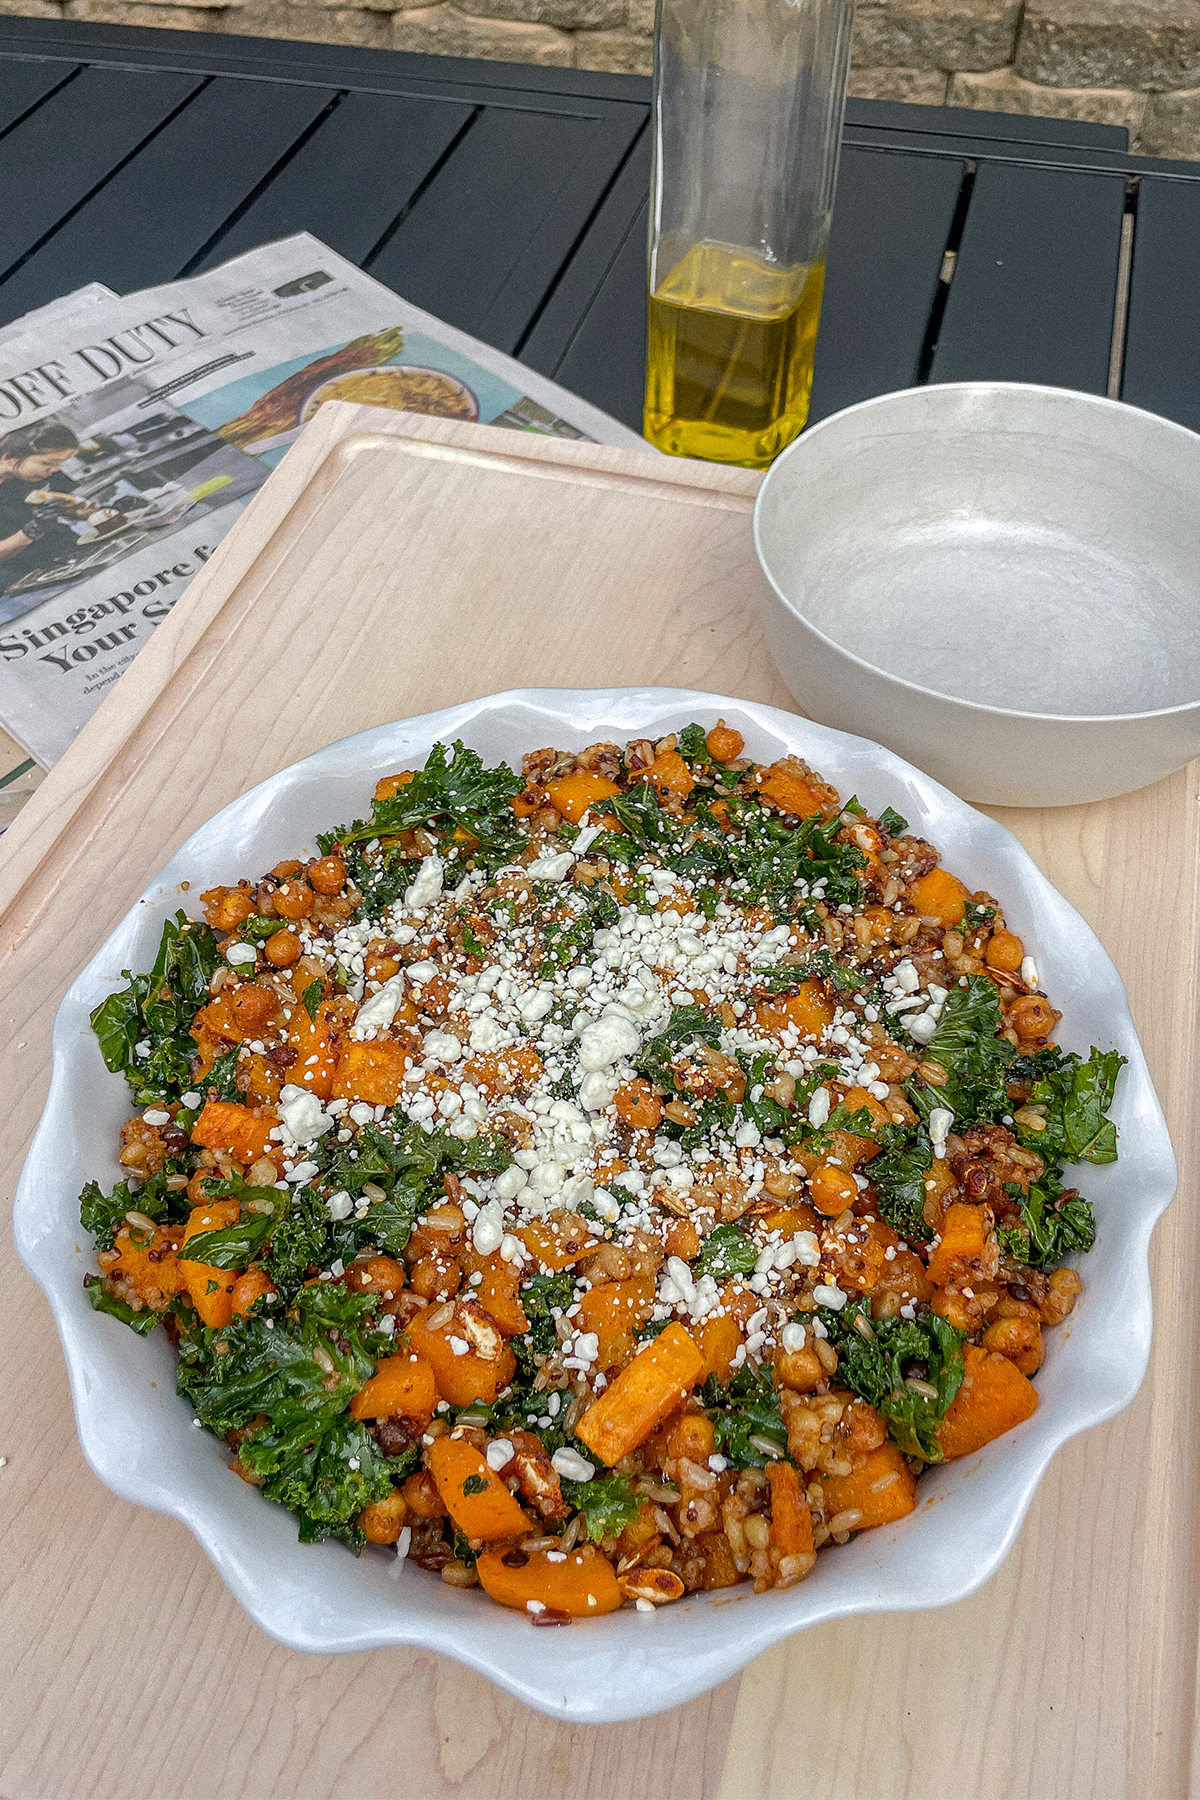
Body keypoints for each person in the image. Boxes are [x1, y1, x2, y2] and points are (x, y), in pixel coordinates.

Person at [0, 420, 83, 594]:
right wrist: (31, 531)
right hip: (18, 579)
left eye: (60, 463)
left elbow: (68, 506)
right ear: (9, 458)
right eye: (48, 463)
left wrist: (86, 511)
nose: (54, 470)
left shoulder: (36, 475)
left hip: (64, 554)